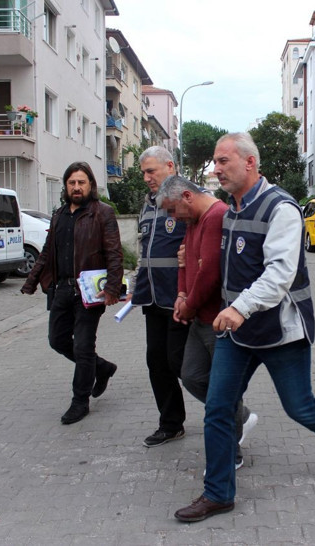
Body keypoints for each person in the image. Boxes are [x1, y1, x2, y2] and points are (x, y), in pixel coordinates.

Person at [174, 133, 315, 523]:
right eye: (215, 163)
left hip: (280, 331)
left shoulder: (282, 208)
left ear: (250, 163)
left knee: (299, 406)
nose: (216, 169)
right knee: (218, 409)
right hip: (238, 334)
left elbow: (280, 273)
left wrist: (240, 307)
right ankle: (218, 494)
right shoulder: (233, 208)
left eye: (224, 161)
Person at [157, 174, 258, 470]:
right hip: (199, 318)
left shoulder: (215, 217)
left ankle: (231, 454)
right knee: (191, 375)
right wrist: (180, 293)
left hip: (219, 320)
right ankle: (241, 416)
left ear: (187, 197)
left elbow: (210, 273)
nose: (171, 217)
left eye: (172, 210)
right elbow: (185, 261)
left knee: (221, 393)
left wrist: (187, 306)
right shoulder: (192, 221)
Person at [21, 161, 123, 425]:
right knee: (57, 340)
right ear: (66, 186)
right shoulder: (59, 215)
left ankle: (80, 402)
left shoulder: (103, 213)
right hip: (62, 290)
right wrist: (32, 281)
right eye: (72, 183)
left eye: (81, 182)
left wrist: (112, 287)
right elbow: (47, 251)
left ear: (91, 185)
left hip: (89, 293)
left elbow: (114, 252)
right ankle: (102, 368)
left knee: (83, 346)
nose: (76, 187)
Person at [131, 146, 190, 448]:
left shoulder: (187, 199)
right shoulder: (148, 207)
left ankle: (234, 416)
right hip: (152, 298)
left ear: (170, 166)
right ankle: (170, 423)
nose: (146, 178)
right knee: (156, 361)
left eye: (151, 171)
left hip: (180, 299)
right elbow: (145, 254)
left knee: (184, 365)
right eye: (143, 172)